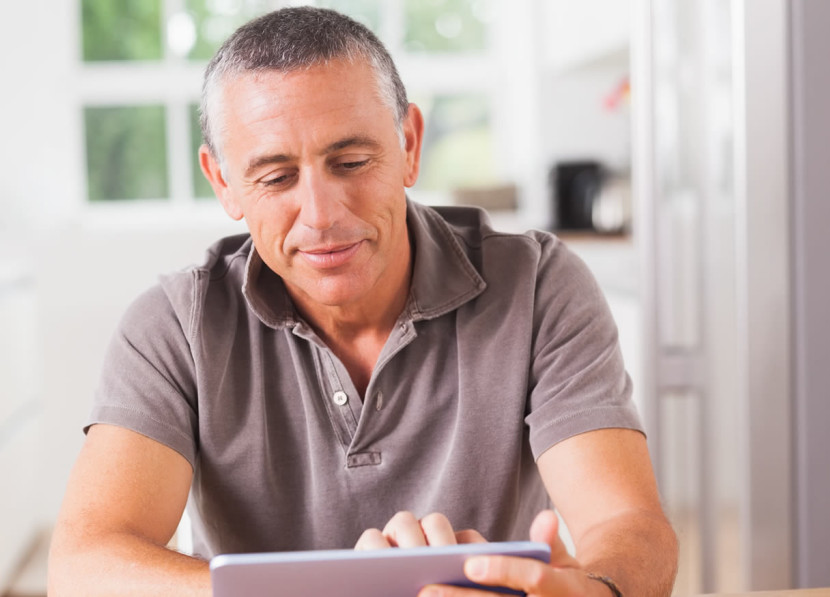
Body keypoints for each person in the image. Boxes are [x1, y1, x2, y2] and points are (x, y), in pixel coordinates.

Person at [48, 7, 677, 597]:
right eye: (274, 178)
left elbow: (628, 524)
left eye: (350, 161)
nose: (322, 216)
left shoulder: (540, 286)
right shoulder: (175, 326)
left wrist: (594, 591)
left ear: (408, 144)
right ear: (223, 183)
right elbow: (84, 565)